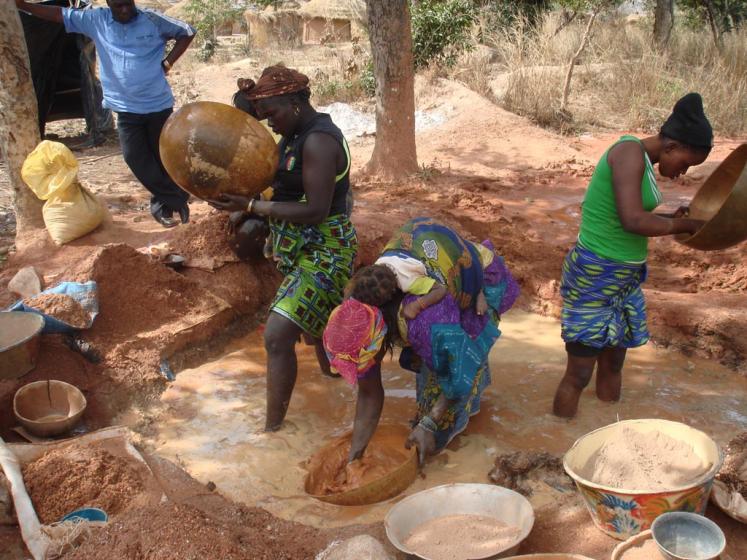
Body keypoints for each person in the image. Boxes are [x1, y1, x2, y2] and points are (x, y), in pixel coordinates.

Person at [209, 65, 357, 432]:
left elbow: (315, 209)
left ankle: (272, 432)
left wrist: (251, 207)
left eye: (271, 114)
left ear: (293, 103)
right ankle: (333, 378)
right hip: (299, 248)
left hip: (326, 249)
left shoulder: (319, 141)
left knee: (277, 336)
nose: (269, 123)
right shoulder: (292, 135)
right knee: (310, 321)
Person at [552, 93, 713, 418]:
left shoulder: (643, 163)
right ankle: (559, 442)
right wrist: (686, 224)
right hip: (594, 277)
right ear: (670, 147)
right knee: (579, 374)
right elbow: (632, 220)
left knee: (613, 364)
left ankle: (611, 430)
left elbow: (630, 215)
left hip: (623, 282)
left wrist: (672, 218)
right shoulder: (628, 153)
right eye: (684, 163)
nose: (682, 173)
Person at [323, 218, 519, 466]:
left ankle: (468, 415)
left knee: (440, 421)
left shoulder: (425, 319)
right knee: (436, 365)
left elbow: (457, 372)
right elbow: (369, 394)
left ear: (379, 334)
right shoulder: (357, 309)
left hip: (478, 278)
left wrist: (430, 422)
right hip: (437, 270)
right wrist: (354, 458)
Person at [15, 0, 195, 228]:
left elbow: (187, 32)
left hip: (158, 105)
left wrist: (167, 63)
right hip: (125, 109)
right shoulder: (96, 19)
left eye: (128, 4)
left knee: (161, 159)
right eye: (118, 6)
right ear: (109, 4)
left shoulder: (152, 19)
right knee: (135, 158)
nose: (124, 9)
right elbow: (59, 14)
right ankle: (178, 200)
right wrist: (23, 5)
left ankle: (163, 207)